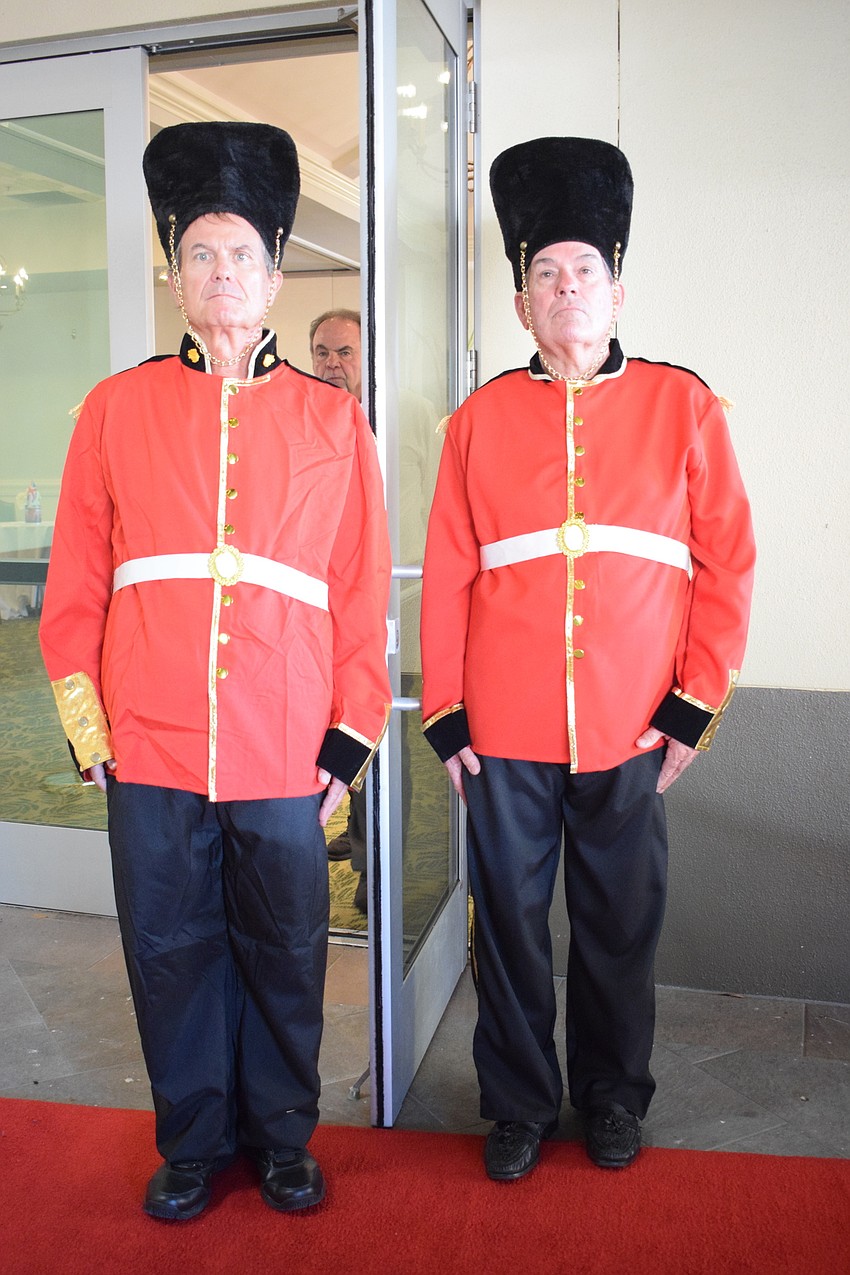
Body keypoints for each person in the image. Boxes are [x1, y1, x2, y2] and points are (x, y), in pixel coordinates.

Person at [39, 122, 392, 1220]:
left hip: (286, 743)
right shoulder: (113, 408)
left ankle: (283, 1133)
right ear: (175, 274)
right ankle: (194, 1137)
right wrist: (89, 728)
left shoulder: (336, 420)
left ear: (276, 274)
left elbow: (362, 594)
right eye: (199, 253)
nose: (220, 273)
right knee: (169, 945)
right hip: (148, 736)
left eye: (240, 253)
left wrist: (350, 736)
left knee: (288, 947)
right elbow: (75, 589)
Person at [420, 137, 755, 1181]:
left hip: (629, 726)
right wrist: (447, 713)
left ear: (617, 289)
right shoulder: (475, 422)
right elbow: (444, 575)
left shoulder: (682, 406)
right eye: (543, 275)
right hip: (505, 733)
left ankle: (613, 1098)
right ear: (521, 303)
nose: (566, 290)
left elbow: (728, 561)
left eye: (584, 271)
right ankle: (518, 1103)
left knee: (617, 930)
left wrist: (693, 702)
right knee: (511, 930)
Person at [308, 309, 369, 911]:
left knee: (369, 733)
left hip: (375, 604)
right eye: (322, 352)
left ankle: (373, 863)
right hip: (311, 616)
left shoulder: (381, 424)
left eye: (345, 353)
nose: (332, 365)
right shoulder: (300, 424)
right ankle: (348, 836)